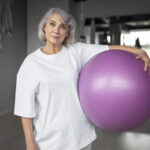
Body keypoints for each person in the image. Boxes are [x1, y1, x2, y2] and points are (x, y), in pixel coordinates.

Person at [14, 8, 150, 150]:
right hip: (49, 142)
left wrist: (140, 52)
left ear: (68, 32)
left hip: (81, 137)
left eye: (63, 26)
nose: (56, 30)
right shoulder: (31, 63)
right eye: (52, 24)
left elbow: (109, 48)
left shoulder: (76, 51)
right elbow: (25, 108)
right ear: (44, 27)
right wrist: (30, 143)